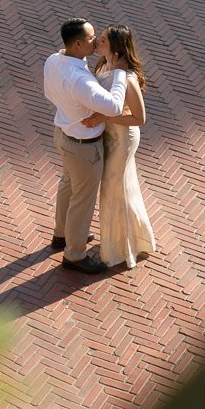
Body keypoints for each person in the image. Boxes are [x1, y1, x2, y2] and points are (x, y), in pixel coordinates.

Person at [43, 18, 129, 273]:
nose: (97, 42)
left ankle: (61, 234)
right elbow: (113, 107)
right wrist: (120, 75)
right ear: (78, 43)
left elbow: (50, 94)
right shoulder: (81, 81)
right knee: (83, 200)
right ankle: (75, 254)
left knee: (68, 185)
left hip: (63, 133)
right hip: (84, 147)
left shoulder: (53, 60)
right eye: (92, 38)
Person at [85, 25, 156, 270]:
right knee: (122, 189)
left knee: (113, 191)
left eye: (102, 40)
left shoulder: (127, 77)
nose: (97, 42)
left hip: (123, 137)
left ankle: (117, 251)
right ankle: (134, 239)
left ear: (115, 47)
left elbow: (139, 118)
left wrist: (105, 118)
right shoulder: (103, 65)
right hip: (107, 134)